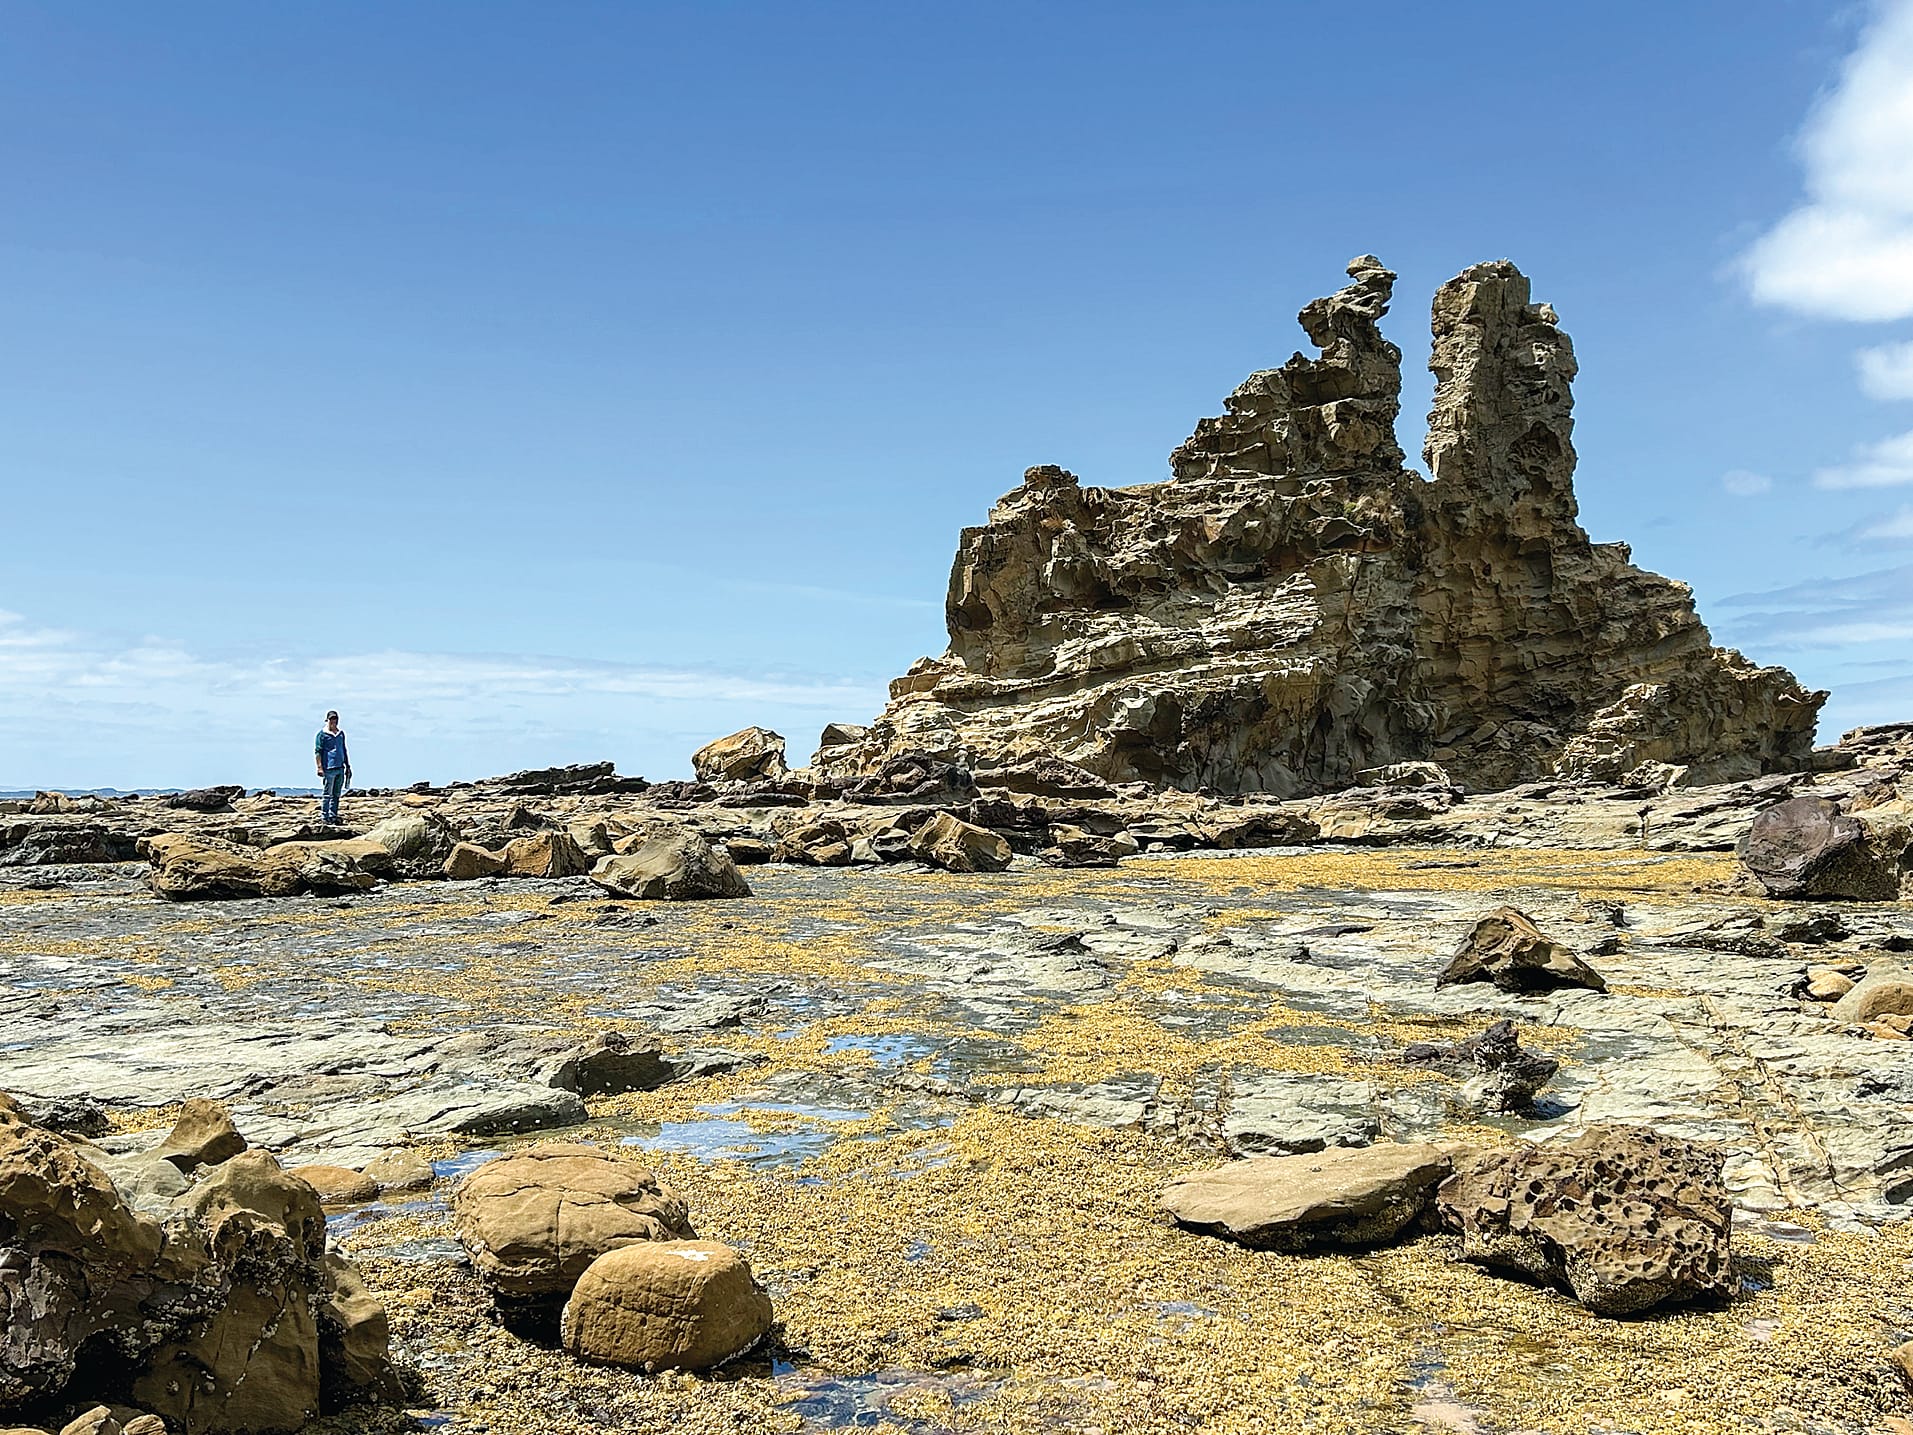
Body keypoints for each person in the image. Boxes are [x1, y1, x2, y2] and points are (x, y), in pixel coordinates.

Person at [315, 710, 352, 825]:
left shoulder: (340, 734)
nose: (333, 721)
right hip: (328, 768)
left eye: (335, 719)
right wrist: (319, 767)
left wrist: (347, 766)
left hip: (340, 767)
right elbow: (318, 751)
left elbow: (344, 749)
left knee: (336, 794)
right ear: (327, 720)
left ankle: (333, 815)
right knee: (327, 794)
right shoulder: (322, 734)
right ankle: (325, 816)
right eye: (331, 719)